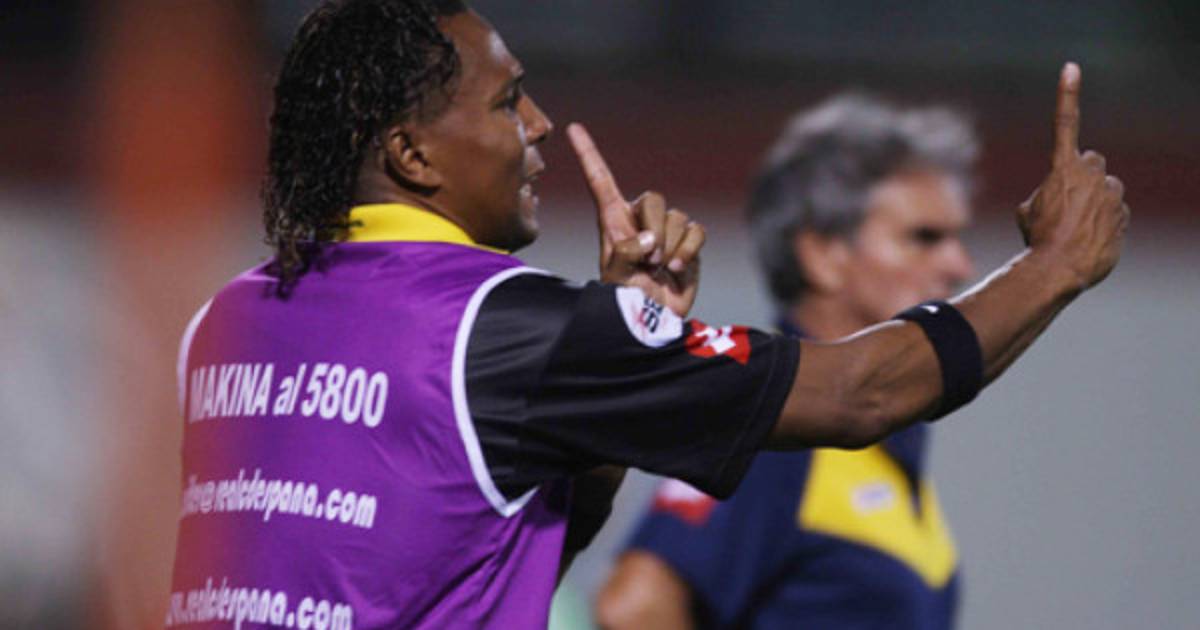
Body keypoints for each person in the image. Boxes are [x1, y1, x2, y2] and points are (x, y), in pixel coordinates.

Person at [165, 1, 1127, 628]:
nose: (539, 124)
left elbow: (469, 569)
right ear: (413, 156)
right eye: (508, 102)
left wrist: (615, 382)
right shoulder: (508, 327)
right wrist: (1054, 265)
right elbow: (862, 392)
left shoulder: (224, 323)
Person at [597, 95, 980, 629]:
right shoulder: (779, 433)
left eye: (956, 238)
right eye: (924, 237)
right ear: (822, 254)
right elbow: (632, 611)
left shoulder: (871, 447)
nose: (960, 265)